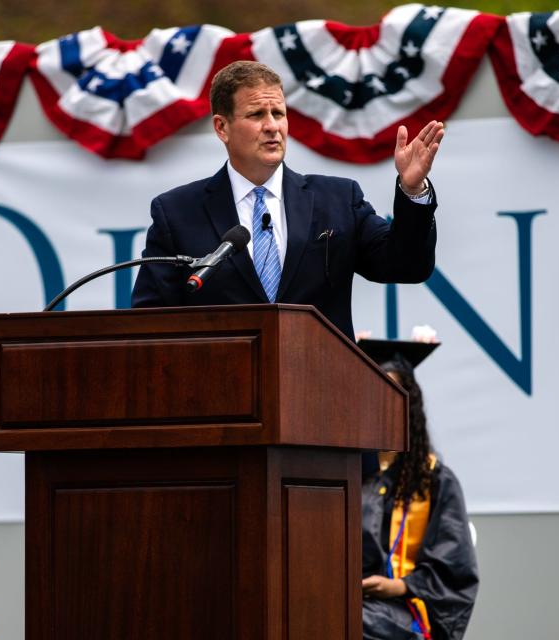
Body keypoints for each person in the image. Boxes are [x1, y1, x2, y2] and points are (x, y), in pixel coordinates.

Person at [131, 60, 444, 339]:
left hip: (320, 390)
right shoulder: (177, 212)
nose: (272, 127)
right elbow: (149, 324)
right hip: (221, 394)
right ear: (222, 127)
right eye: (256, 114)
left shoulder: (337, 199)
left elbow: (407, 266)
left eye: (278, 113)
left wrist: (412, 190)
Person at [357, 338, 478, 640]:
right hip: (344, 601)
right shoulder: (344, 472)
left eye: (391, 394)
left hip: (403, 609)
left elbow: (456, 569)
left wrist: (401, 586)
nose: (379, 404)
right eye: (371, 394)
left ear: (409, 405)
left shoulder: (433, 480)